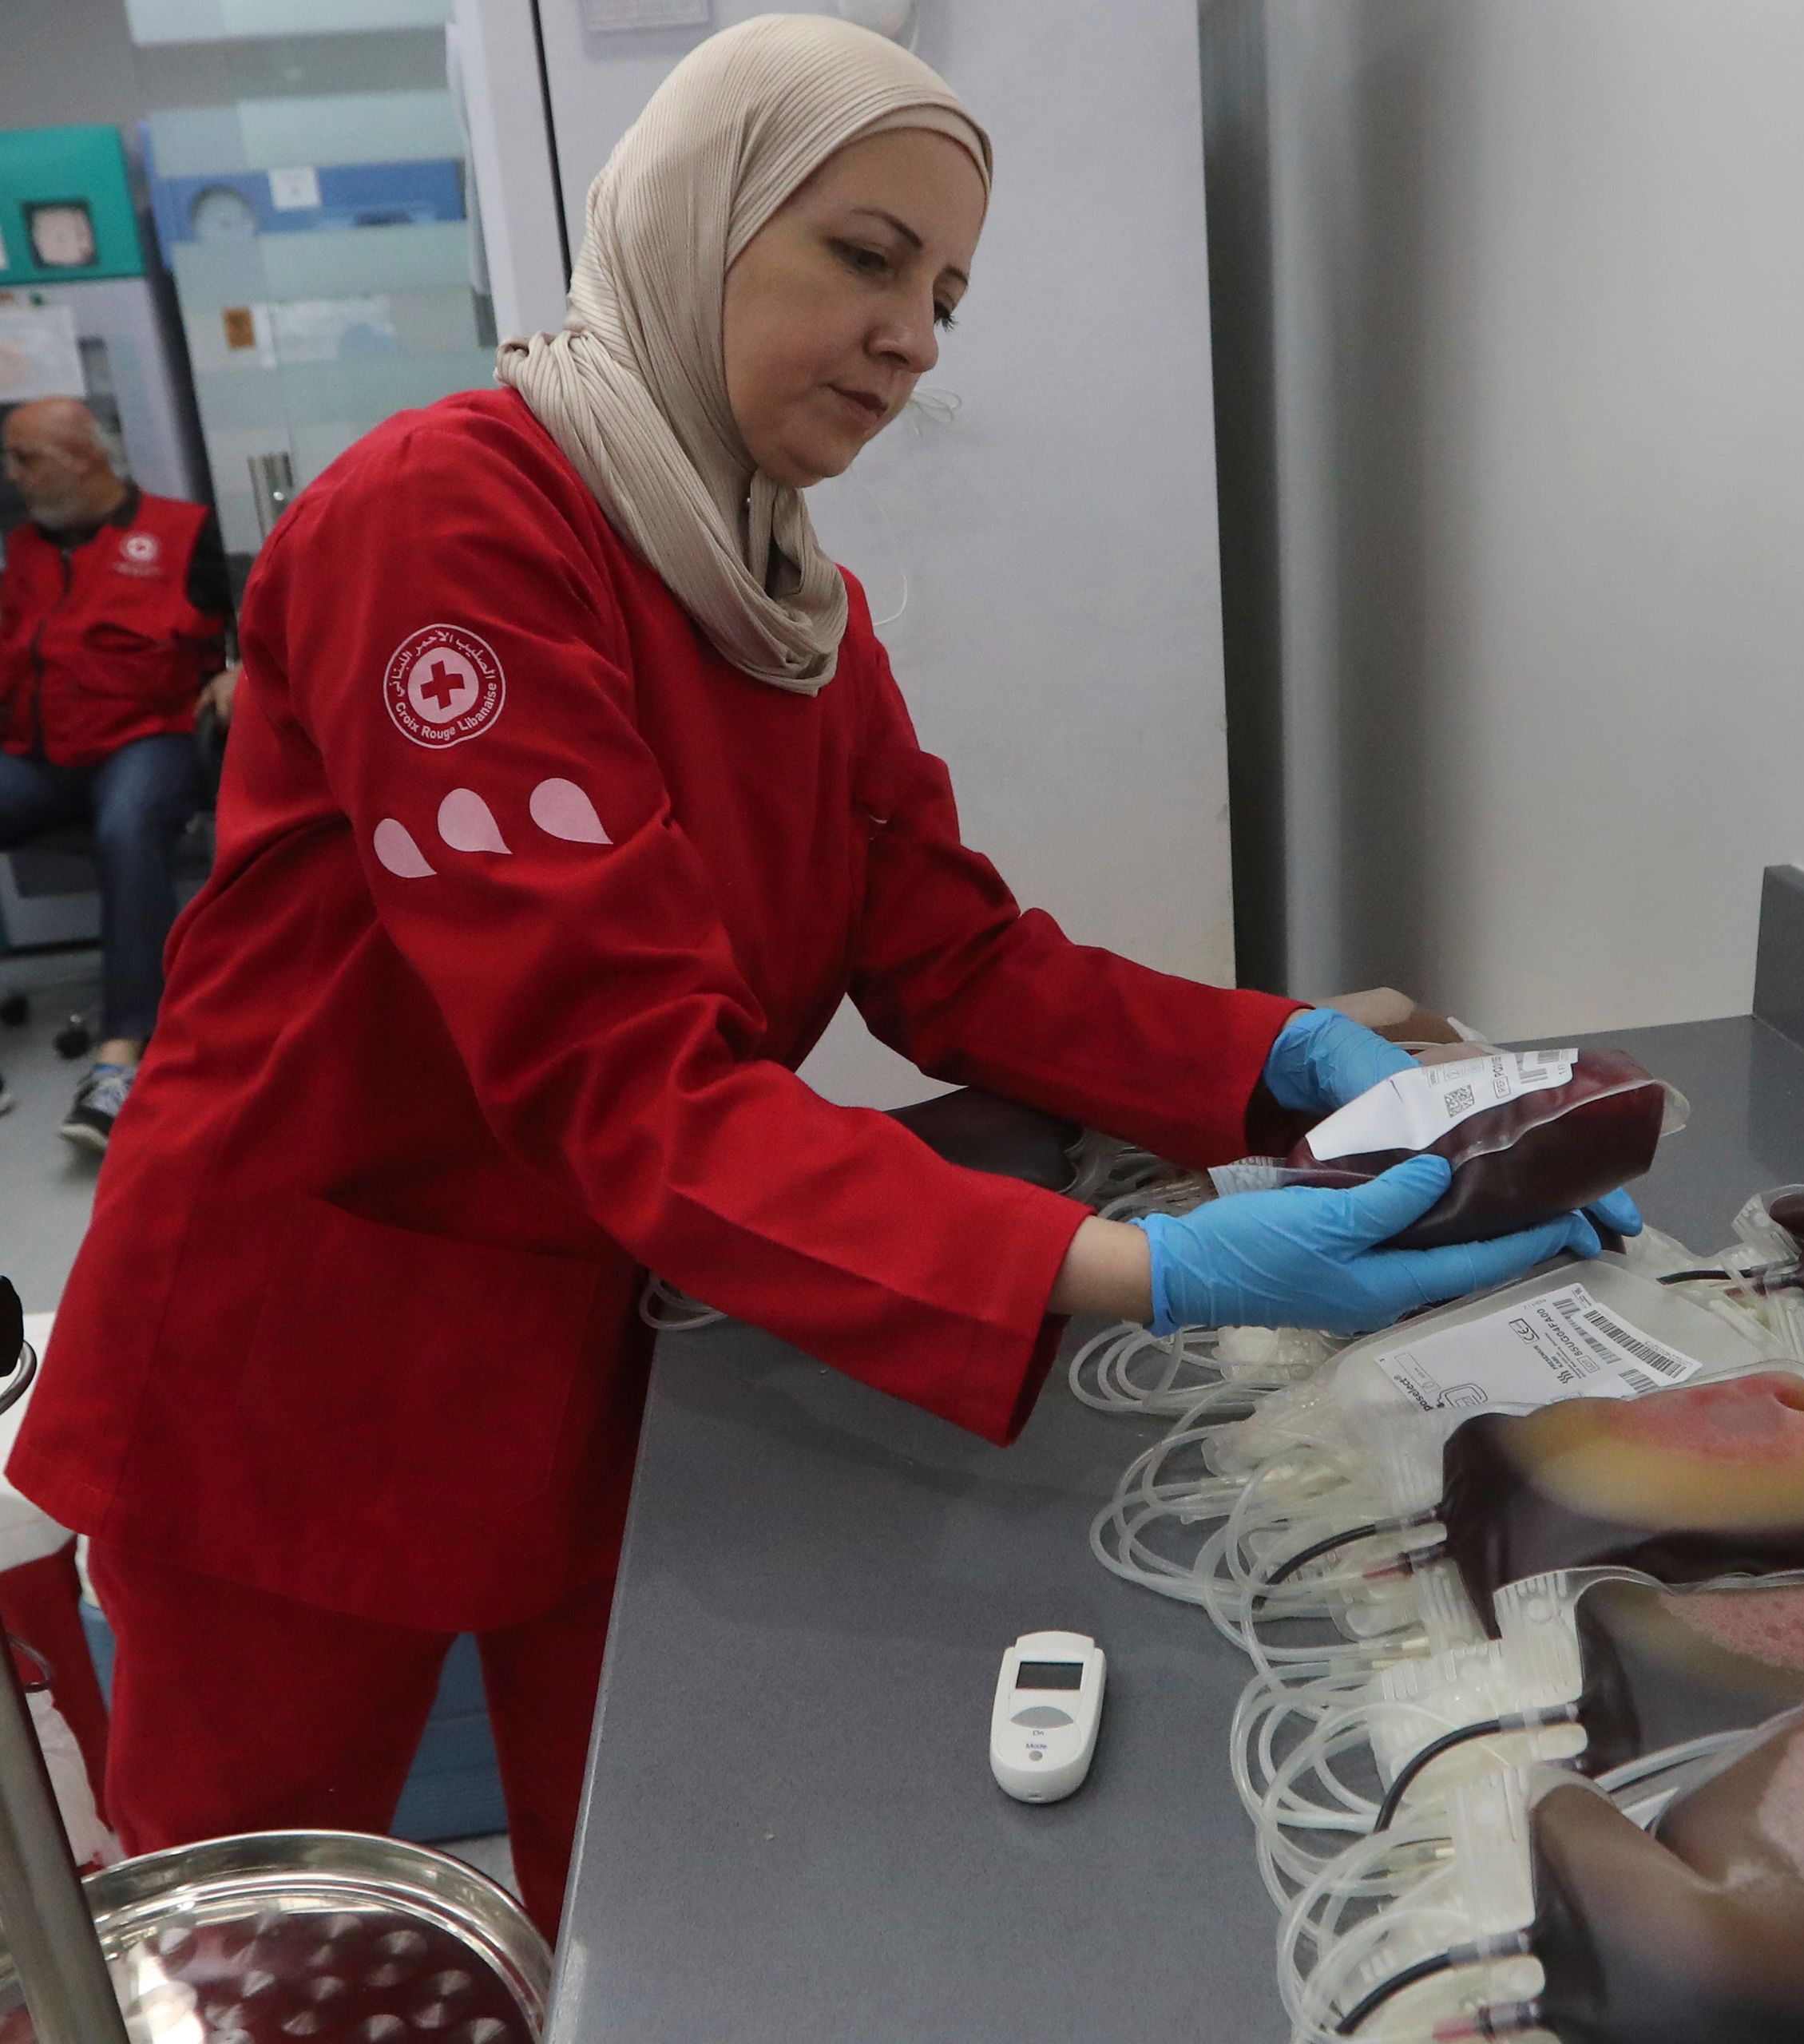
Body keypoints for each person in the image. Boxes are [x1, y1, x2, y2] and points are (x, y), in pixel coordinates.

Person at [4, 17, 1632, 1930]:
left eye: (944, 295)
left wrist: (1279, 1050)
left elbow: (946, 949)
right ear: (693, 224)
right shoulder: (449, 523)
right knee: (271, 1932)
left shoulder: (783, 593)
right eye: (865, 258)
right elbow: (625, 1073)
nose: (916, 338)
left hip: (594, 1326)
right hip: (304, 1349)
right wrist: (1149, 1266)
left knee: (638, 1881)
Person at [0, 397, 235, 1147]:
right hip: (39, 751)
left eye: (25, 458)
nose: (13, 477)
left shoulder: (185, 533)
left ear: (81, 456)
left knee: (129, 828)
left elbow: (271, 617)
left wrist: (244, 668)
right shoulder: (25, 550)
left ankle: (122, 1054)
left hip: (149, 738)